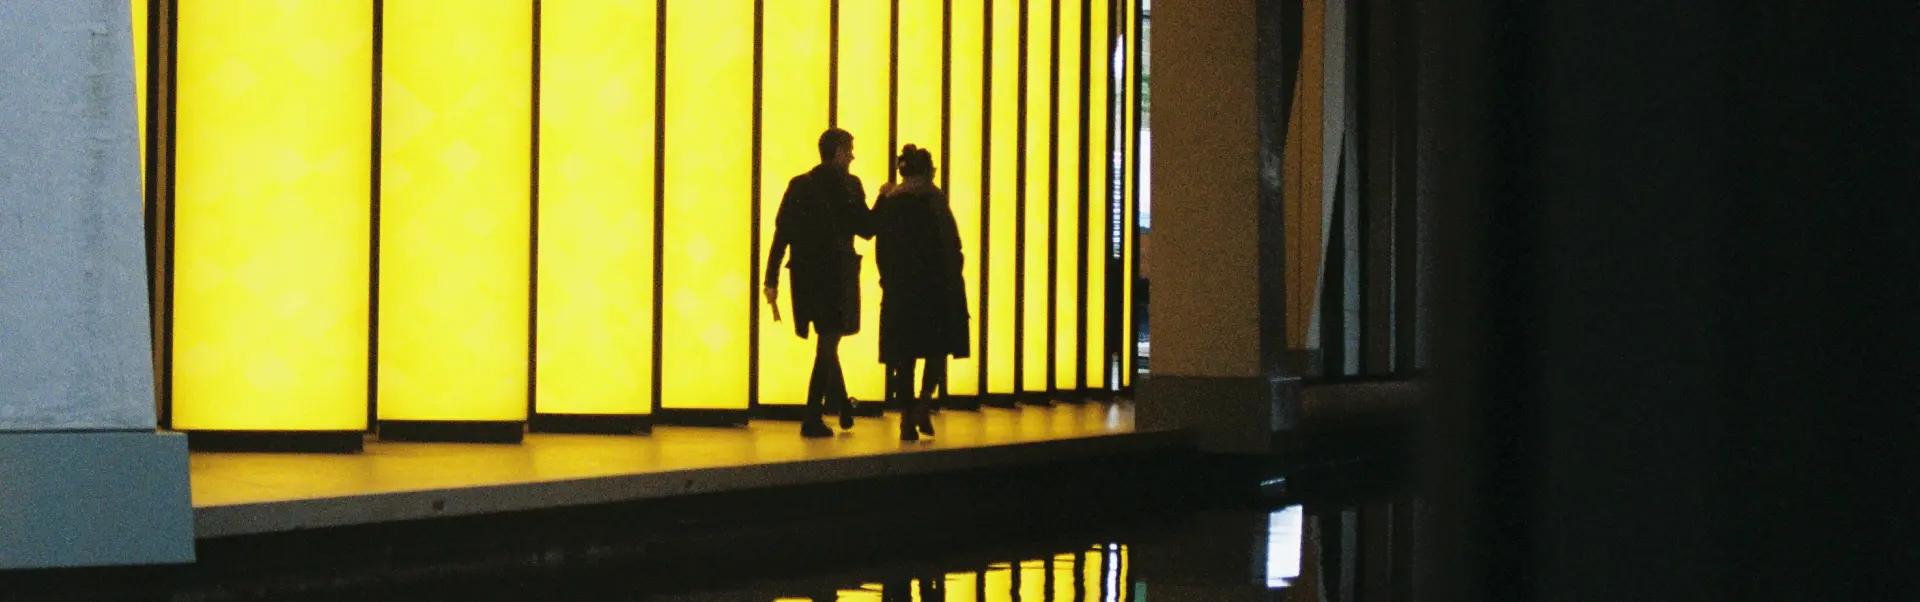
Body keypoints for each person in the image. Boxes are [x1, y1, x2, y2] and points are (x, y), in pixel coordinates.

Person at [765, 128, 873, 438]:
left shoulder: (799, 185)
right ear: (839, 151)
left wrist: (771, 277)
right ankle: (812, 415)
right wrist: (884, 198)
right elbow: (866, 228)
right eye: (850, 149)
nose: (853, 156)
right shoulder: (850, 186)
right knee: (829, 340)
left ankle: (841, 404)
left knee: (827, 339)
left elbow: (781, 233)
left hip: (805, 276)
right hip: (836, 275)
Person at [871, 145, 970, 441]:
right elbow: (952, 246)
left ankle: (906, 416)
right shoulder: (935, 200)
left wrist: (888, 280)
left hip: (901, 289)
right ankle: (924, 403)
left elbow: (883, 249)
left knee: (904, 356)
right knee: (936, 349)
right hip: (937, 288)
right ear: (928, 171)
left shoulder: (892, 202)